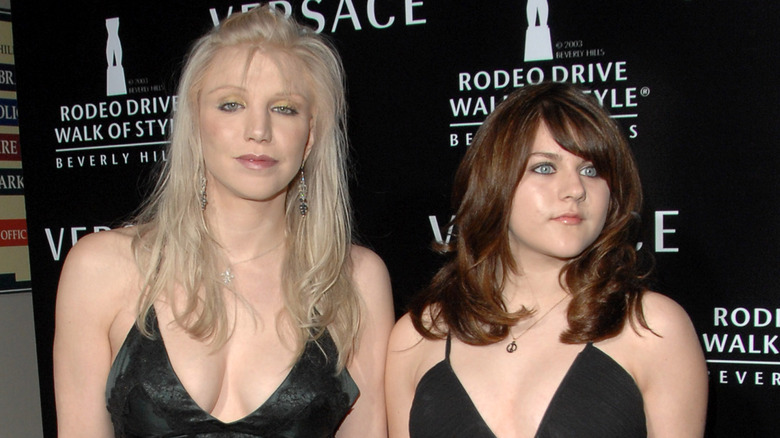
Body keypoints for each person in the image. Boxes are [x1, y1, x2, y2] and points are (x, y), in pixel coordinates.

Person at [53, 5, 394, 437]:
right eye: (231, 104)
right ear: (196, 124)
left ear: (309, 138)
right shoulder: (102, 269)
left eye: (284, 108)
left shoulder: (354, 280)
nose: (258, 129)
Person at [386, 82, 708, 437]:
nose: (575, 189)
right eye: (544, 168)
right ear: (495, 180)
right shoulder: (418, 337)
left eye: (591, 170)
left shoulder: (653, 329)